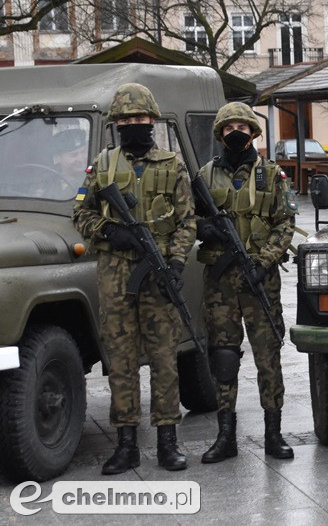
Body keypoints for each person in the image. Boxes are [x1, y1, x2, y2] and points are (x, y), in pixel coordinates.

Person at [72, 83, 195, 473]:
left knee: (163, 359)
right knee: (122, 361)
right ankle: (125, 443)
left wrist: (175, 263)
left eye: (140, 119)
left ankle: (167, 441)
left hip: (158, 276)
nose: (133, 125)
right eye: (126, 120)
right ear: (116, 125)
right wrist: (110, 231)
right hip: (115, 275)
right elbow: (80, 214)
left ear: (152, 121)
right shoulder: (102, 166)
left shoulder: (172, 165)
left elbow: (187, 221)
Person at [196, 102, 297, 463]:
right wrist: (202, 227)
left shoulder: (271, 175)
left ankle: (274, 433)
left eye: (242, 126)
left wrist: (263, 261)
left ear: (253, 132)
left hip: (260, 281)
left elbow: (285, 224)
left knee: (268, 356)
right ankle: (226, 437)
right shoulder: (205, 176)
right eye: (228, 127)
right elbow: (186, 218)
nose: (235, 131)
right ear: (220, 133)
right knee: (223, 358)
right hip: (220, 282)